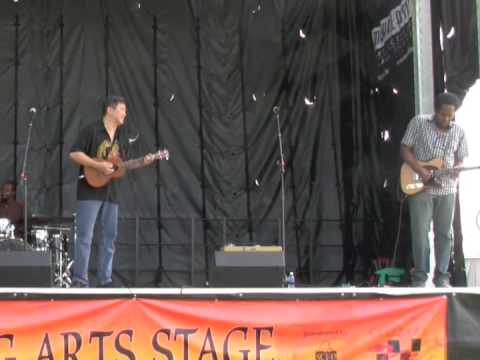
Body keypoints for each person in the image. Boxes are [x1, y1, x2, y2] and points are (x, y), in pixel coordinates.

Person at [69, 95, 155, 287]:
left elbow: (122, 165)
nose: (125, 113)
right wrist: (96, 165)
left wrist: (144, 161)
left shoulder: (122, 136)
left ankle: (105, 279)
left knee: (110, 237)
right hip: (89, 190)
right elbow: (74, 153)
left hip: (111, 193)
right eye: (122, 109)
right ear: (110, 110)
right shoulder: (91, 130)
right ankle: (80, 279)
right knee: (85, 236)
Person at [400, 92, 468, 287]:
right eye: (443, 114)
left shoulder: (459, 131)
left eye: (450, 115)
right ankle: (420, 277)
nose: (447, 119)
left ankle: (443, 277)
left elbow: (462, 157)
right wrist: (421, 171)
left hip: (447, 188)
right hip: (421, 188)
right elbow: (404, 148)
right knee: (420, 233)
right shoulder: (419, 123)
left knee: (445, 234)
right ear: (436, 111)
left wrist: (459, 167)